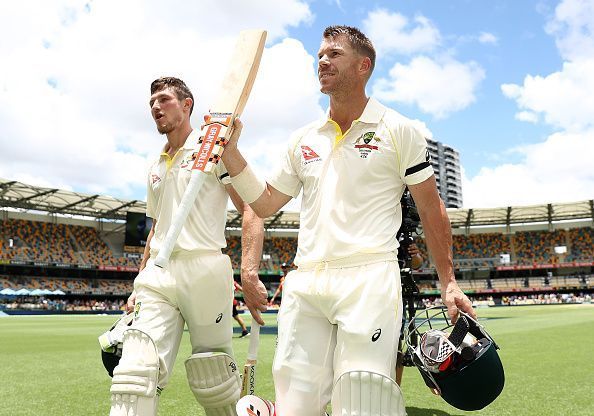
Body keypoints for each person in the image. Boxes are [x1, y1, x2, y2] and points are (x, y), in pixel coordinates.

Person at [222, 26, 475, 416]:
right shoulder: (302, 138)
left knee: (363, 401)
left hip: (368, 277)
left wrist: (449, 282)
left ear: (363, 66)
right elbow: (265, 202)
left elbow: (431, 207)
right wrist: (231, 153)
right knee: (295, 405)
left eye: (334, 54)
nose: (322, 60)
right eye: (320, 55)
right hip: (306, 280)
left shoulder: (398, 129)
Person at [109, 77, 268, 416]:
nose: (155, 106)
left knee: (213, 376)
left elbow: (252, 207)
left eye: (164, 99)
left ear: (186, 105)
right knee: (134, 373)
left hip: (204, 267)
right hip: (159, 274)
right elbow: (156, 227)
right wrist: (139, 283)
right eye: (151, 101)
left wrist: (250, 272)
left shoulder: (212, 146)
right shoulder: (155, 165)